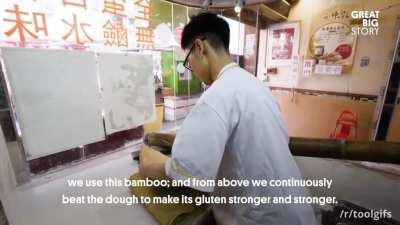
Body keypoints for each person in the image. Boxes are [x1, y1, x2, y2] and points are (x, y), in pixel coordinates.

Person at [139, 12, 317, 225]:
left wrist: (148, 166)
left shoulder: (215, 97)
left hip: (261, 217)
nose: (191, 69)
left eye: (188, 61)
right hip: (298, 211)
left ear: (199, 47)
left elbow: (183, 176)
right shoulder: (256, 86)